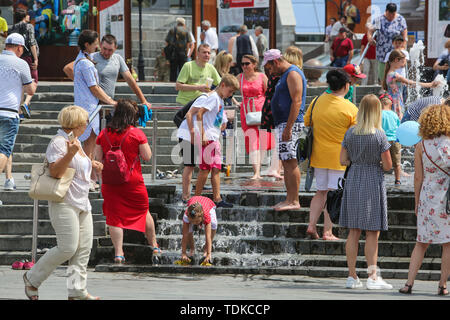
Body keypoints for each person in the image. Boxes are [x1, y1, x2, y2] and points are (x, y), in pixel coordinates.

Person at [24, 105, 103, 300]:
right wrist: (70, 154)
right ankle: (32, 278)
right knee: (67, 247)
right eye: (85, 121)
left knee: (83, 249)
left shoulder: (76, 141)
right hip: (64, 201)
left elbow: (77, 168)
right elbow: (55, 172)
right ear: (75, 123)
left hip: (82, 201)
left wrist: (92, 165)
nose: (87, 124)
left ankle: (77, 292)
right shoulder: (59, 142)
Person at [94, 99, 160, 263]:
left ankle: (118, 253)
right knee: (143, 211)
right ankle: (154, 245)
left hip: (110, 182)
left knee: (114, 217)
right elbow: (147, 156)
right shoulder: (137, 134)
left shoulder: (103, 133)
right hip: (133, 181)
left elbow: (97, 157)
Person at [339, 94, 394, 290]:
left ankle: (352, 276)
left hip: (354, 178)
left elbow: (343, 160)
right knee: (372, 232)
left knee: (354, 231)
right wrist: (375, 162)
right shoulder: (379, 135)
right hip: (372, 179)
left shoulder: (351, 132)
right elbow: (388, 165)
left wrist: (357, 160)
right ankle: (372, 276)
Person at [399, 104, 450, 296]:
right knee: (448, 244)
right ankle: (442, 285)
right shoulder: (449, 143)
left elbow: (418, 177)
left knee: (421, 243)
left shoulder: (421, 145)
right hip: (447, 199)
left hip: (427, 198)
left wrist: (416, 201)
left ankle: (409, 284)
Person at [304, 69, 358, 240]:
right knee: (333, 194)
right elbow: (355, 135)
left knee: (320, 192)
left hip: (318, 155)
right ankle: (328, 231)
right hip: (339, 158)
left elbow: (307, 121)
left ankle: (312, 225)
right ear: (346, 86)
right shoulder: (350, 108)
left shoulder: (317, 101)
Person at [177, 74, 239, 208]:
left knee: (216, 169)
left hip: (214, 137)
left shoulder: (220, 100)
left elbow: (217, 117)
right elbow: (199, 114)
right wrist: (202, 134)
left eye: (233, 92)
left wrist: (223, 123)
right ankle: (196, 199)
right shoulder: (212, 98)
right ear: (222, 85)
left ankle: (217, 198)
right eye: (230, 91)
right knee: (203, 169)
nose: (231, 95)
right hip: (207, 137)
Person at [263, 49, 307, 211]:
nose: (270, 71)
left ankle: (294, 200)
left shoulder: (293, 73)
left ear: (276, 62)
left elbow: (296, 101)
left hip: (291, 124)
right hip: (284, 123)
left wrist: (288, 128)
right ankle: (289, 198)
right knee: (287, 162)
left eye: (270, 67)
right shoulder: (285, 74)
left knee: (290, 162)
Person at [73, 30, 116, 190]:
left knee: (87, 145)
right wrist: (111, 101)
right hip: (88, 108)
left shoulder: (82, 59)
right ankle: (85, 179)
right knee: (89, 146)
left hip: (84, 106)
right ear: (87, 44)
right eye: (95, 43)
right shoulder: (85, 63)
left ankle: (87, 177)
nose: (97, 46)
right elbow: (94, 88)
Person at [63, 34, 150, 107]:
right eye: (104, 49)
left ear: (115, 48)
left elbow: (131, 81)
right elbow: (68, 69)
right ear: (100, 45)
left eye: (110, 50)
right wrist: (84, 84)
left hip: (109, 104)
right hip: (94, 104)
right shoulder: (91, 57)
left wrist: (143, 100)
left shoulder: (118, 59)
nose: (106, 52)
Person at [0, 33, 37, 206]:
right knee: (4, 151)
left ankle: (9, 179)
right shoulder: (21, 63)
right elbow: (30, 90)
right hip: (8, 113)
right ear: (19, 48)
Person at [237, 54, 274, 180]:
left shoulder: (261, 76)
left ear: (254, 64)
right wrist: (236, 103)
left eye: (247, 64)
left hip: (261, 110)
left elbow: (269, 93)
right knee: (252, 141)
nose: (244, 66)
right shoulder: (239, 78)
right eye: (242, 64)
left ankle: (261, 169)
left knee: (262, 140)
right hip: (246, 112)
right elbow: (226, 88)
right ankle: (256, 172)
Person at [383, 49, 437, 119]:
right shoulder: (395, 75)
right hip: (396, 102)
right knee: (398, 119)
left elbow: (407, 85)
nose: (404, 64)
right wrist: (430, 84)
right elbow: (413, 83)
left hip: (392, 101)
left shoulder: (389, 73)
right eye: (403, 62)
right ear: (396, 60)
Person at [9, 8, 39, 118]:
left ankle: (20, 112)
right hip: (28, 57)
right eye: (27, 15)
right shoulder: (29, 26)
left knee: (20, 84)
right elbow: (31, 43)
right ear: (24, 16)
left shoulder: (12, 28)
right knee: (34, 81)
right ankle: (25, 104)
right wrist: (35, 58)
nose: (29, 17)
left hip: (16, 58)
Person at [368, 3, 408, 83]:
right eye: (390, 14)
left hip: (396, 53)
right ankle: (384, 89)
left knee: (397, 75)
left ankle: (396, 89)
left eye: (393, 14)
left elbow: (404, 33)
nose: (392, 16)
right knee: (383, 75)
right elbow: (370, 30)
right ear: (386, 11)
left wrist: (404, 45)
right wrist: (369, 38)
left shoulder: (400, 19)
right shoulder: (379, 19)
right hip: (382, 52)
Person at [177, 196, 218, 266]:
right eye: (192, 221)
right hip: (193, 201)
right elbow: (185, 235)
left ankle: (206, 249)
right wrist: (183, 253)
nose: (195, 223)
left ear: (202, 217)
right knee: (188, 230)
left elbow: (207, 237)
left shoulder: (206, 216)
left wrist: (208, 254)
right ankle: (192, 248)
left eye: (197, 221)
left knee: (214, 224)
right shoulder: (186, 216)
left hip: (208, 203)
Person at [379, 92, 402, 185]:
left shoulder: (379, 114)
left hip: (383, 140)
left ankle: (380, 179)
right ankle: (398, 180)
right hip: (395, 141)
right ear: (391, 104)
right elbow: (399, 128)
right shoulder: (394, 115)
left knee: (380, 161)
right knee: (397, 162)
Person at [384, 35, 409, 102]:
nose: (398, 45)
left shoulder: (405, 53)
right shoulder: (389, 54)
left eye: (400, 43)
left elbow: (404, 64)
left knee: (403, 98)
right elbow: (387, 65)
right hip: (396, 79)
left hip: (402, 80)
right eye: (396, 43)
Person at [165, 17, 191, 82]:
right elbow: (188, 43)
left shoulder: (172, 30)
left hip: (173, 53)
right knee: (182, 69)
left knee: (173, 70)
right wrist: (187, 53)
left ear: (177, 23)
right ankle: (181, 82)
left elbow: (167, 42)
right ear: (183, 23)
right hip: (183, 53)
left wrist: (168, 54)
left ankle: (172, 83)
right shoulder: (187, 30)